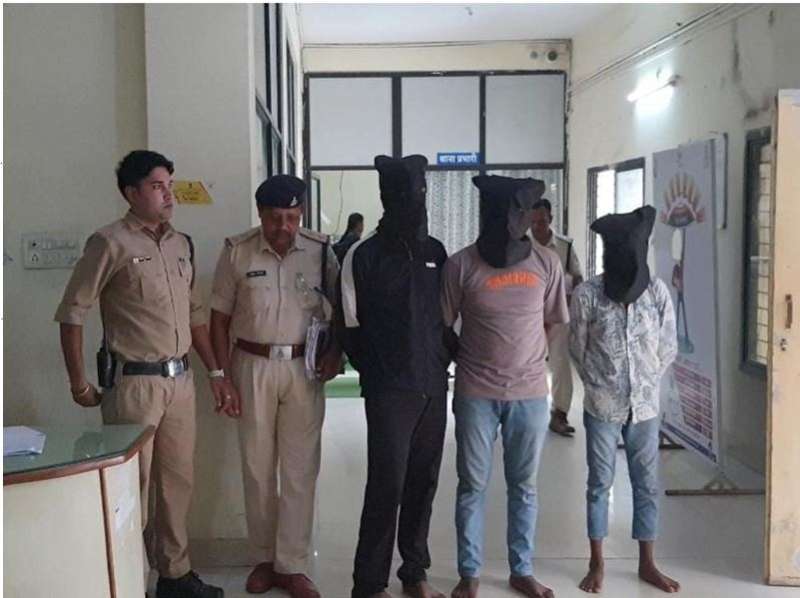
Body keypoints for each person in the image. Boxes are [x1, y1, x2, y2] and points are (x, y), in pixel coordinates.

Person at [55, 150, 228, 598]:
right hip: (134, 385)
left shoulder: (181, 244)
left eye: (170, 185)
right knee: (133, 486)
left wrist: (215, 370)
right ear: (131, 193)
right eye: (157, 186)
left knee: (177, 483)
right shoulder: (109, 243)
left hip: (180, 382)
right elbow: (72, 313)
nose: (168, 195)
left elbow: (195, 315)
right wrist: (78, 383)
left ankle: (174, 575)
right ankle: (130, 581)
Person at [208, 175, 341, 598]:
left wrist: (336, 354)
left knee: (300, 469)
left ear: (301, 214)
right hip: (252, 366)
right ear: (260, 214)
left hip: (304, 368)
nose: (284, 226)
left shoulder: (321, 251)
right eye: (274, 218)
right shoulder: (237, 251)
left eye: (292, 217)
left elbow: (341, 311)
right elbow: (218, 319)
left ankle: (293, 564)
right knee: (257, 467)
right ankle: (264, 560)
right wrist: (221, 376)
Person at [441, 175, 568, 598]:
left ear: (528, 216)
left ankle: (522, 570)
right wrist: (472, 359)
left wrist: (527, 357)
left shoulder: (547, 263)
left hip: (529, 395)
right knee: (471, 486)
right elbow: (444, 325)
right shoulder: (460, 265)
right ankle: (469, 574)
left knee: (524, 487)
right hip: (475, 393)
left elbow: (552, 320)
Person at [337, 155, 451, 598]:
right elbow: (349, 325)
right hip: (389, 391)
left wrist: (439, 363)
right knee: (387, 484)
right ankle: (369, 584)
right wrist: (382, 374)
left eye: (419, 192)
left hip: (433, 386)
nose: (412, 201)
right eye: (402, 193)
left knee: (424, 482)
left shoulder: (435, 252)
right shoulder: (362, 256)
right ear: (386, 196)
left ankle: (414, 574)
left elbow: (449, 318)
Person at [569, 206, 679, 594]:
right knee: (599, 483)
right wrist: (601, 384)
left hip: (645, 407)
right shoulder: (588, 294)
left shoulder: (657, 292)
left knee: (646, 484)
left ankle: (647, 562)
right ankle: (597, 562)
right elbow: (577, 348)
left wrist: (644, 383)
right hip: (602, 405)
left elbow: (668, 346)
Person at [530, 198, 583, 436]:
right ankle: (527, 412)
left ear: (550, 219)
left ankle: (559, 413)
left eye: (542, 221)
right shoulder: (521, 245)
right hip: (527, 317)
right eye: (533, 222)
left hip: (558, 315)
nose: (537, 226)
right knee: (527, 364)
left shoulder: (565, 247)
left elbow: (578, 278)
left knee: (560, 364)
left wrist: (571, 301)